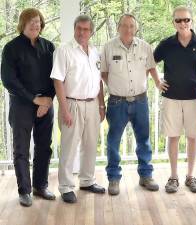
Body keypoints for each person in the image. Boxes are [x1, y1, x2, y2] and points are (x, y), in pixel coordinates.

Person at [101, 13, 161, 195]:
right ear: (119, 27)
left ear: (136, 28)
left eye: (131, 26)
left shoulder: (145, 47)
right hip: (117, 102)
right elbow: (104, 72)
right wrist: (116, 86)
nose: (128, 29)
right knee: (113, 142)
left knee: (143, 140)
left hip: (141, 101)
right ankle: (113, 178)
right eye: (124, 25)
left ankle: (146, 175)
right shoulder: (108, 47)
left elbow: (151, 67)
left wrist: (158, 83)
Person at [1, 8, 56, 207]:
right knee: (21, 150)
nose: (35, 24)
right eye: (31, 21)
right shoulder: (11, 48)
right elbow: (9, 80)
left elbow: (56, 77)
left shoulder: (49, 46)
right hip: (22, 105)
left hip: (46, 105)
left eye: (38, 21)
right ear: (22, 24)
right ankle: (24, 190)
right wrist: (34, 100)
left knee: (44, 147)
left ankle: (40, 186)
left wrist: (48, 99)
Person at [153, 6, 196, 193]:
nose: (183, 23)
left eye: (186, 20)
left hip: (195, 98)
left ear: (192, 21)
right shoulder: (166, 44)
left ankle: (191, 176)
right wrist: (157, 81)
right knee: (174, 136)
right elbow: (149, 62)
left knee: (193, 137)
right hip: (171, 98)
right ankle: (173, 176)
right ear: (173, 23)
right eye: (178, 20)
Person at [51, 15, 106, 203]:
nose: (82, 32)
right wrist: (64, 109)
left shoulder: (95, 52)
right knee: (69, 146)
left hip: (92, 104)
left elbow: (98, 80)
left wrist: (101, 104)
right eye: (79, 29)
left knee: (91, 145)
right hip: (72, 103)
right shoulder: (64, 50)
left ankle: (87, 180)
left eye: (86, 29)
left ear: (91, 32)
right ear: (74, 29)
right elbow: (57, 80)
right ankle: (66, 186)